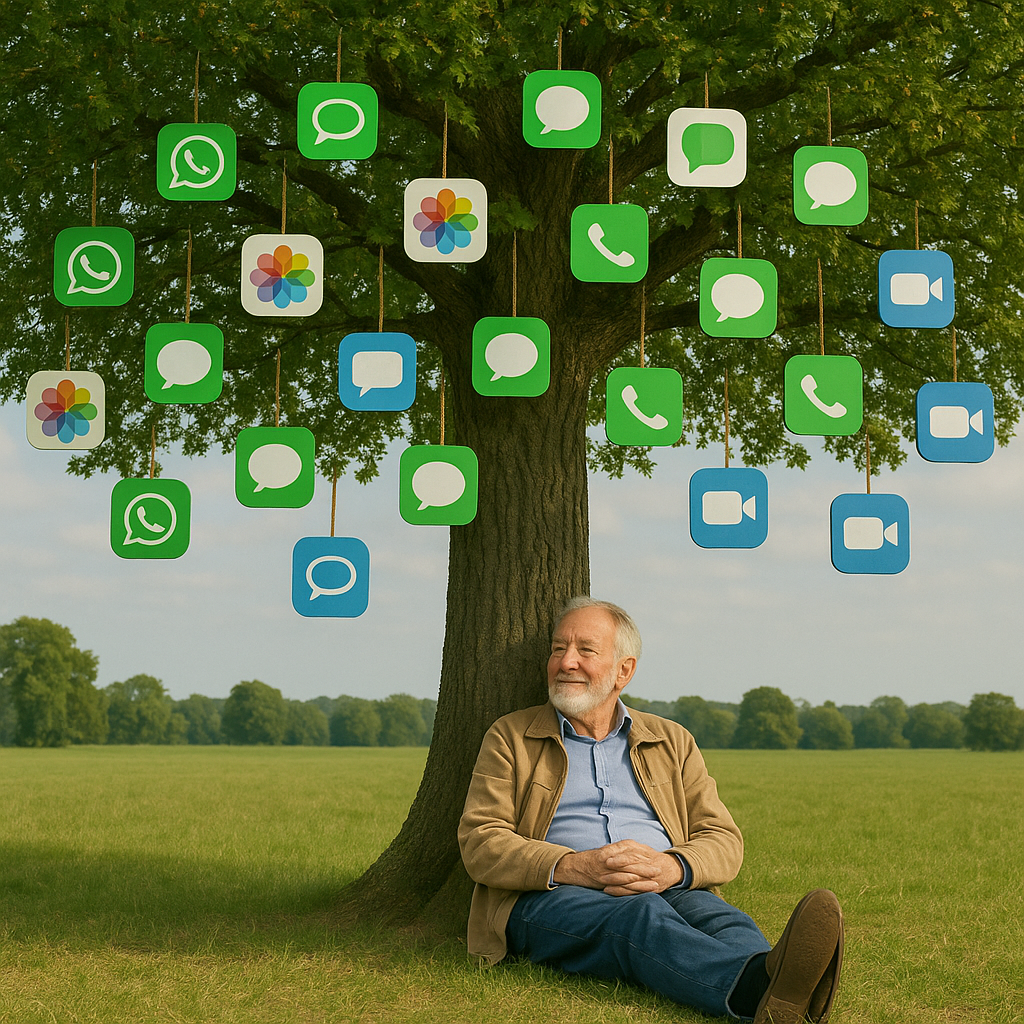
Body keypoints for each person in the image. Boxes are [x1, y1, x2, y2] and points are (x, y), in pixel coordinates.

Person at [458, 596, 844, 1023]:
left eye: (586, 650)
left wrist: (672, 867)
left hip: (669, 883)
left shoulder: (672, 739)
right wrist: (577, 866)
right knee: (640, 915)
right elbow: (481, 841)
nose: (566, 662)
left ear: (624, 670)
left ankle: (774, 991)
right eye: (557, 649)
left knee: (723, 920)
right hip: (548, 897)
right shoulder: (510, 736)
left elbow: (724, 839)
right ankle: (758, 992)